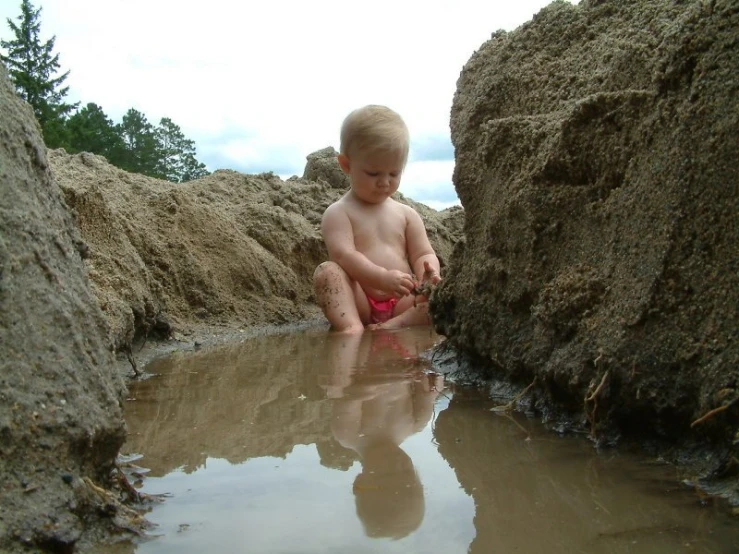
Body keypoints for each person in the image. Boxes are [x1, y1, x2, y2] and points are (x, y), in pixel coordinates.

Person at [313, 105, 442, 333]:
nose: (384, 182)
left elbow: (423, 253)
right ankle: (351, 327)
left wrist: (428, 275)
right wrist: (382, 278)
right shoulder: (339, 212)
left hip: (403, 299)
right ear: (346, 165)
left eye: (394, 173)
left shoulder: (406, 214)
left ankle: (395, 324)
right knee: (327, 273)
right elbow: (344, 255)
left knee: (441, 300)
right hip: (360, 299)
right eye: (373, 174)